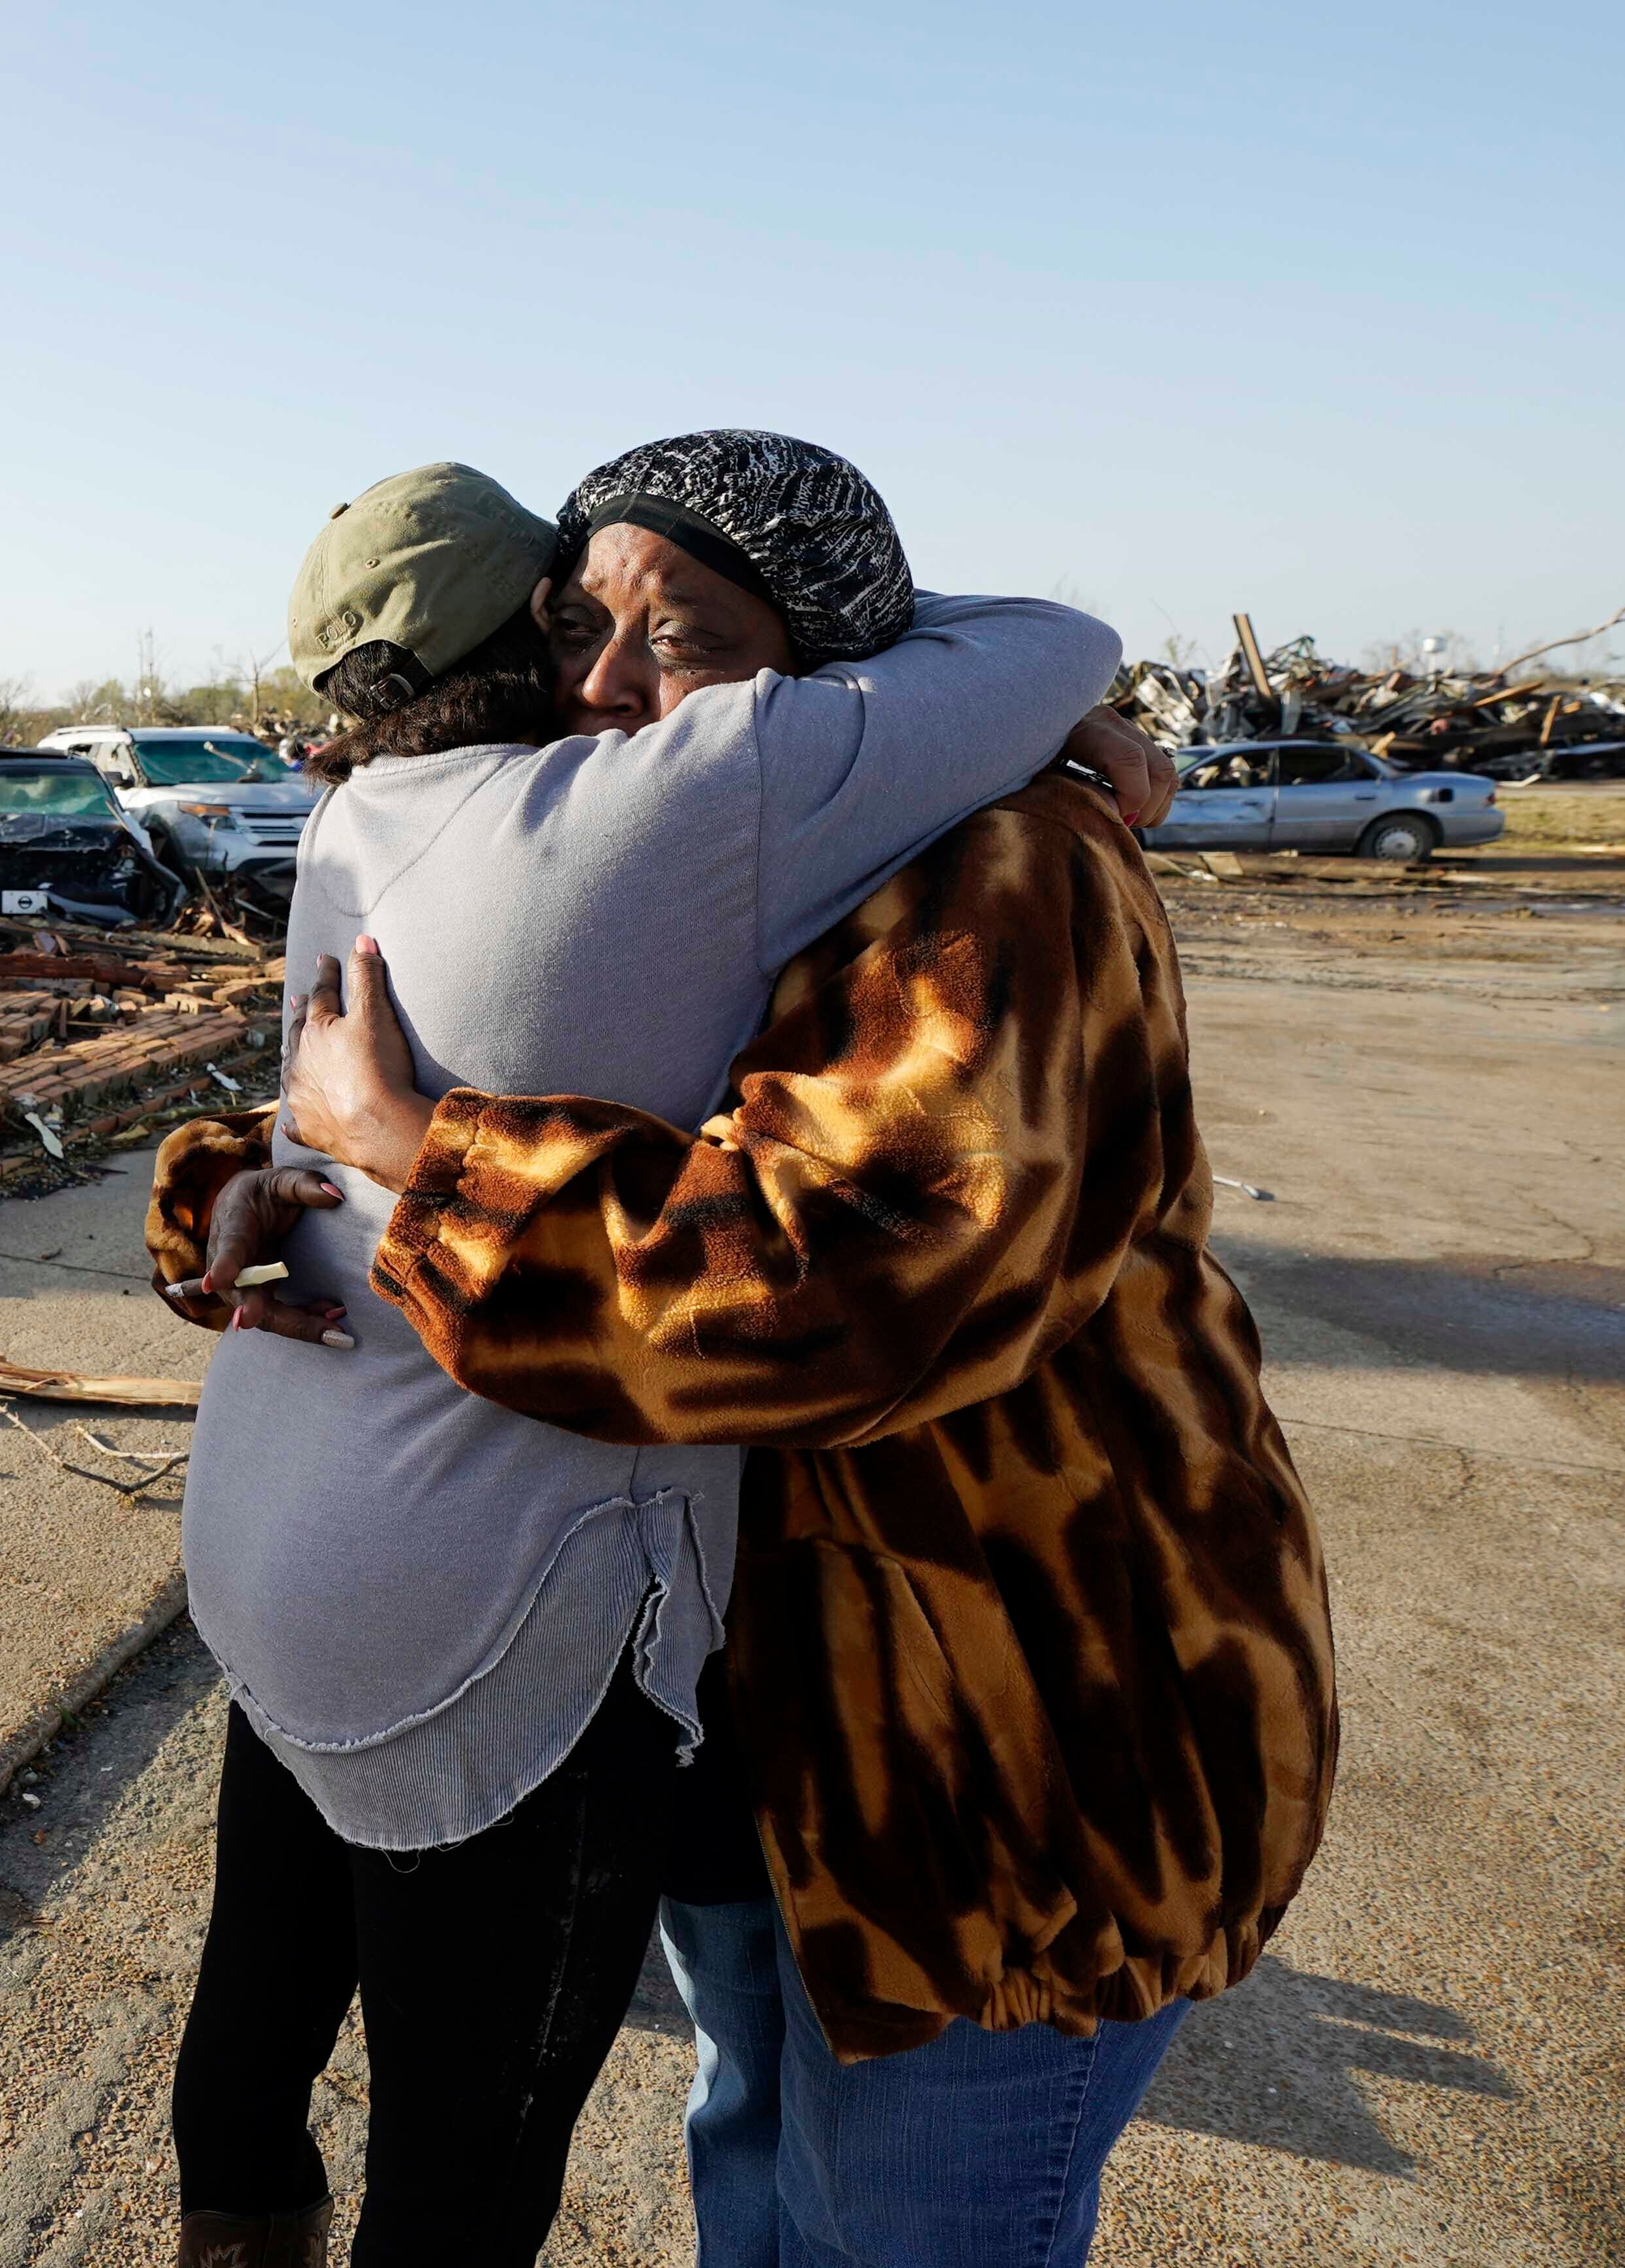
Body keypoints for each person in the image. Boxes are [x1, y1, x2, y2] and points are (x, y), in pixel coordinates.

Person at [157, 437, 1332, 2268]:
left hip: (1001, 1738)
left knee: (900, 2229)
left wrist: (419, 1159)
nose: (607, 691)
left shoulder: (1003, 868)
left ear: (830, 660)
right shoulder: (676, 816)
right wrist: (258, 1188)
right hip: (761, 1710)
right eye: (576, 626)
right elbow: (576, 1073)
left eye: (682, 643)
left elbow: (838, 1297)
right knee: (757, 2168)